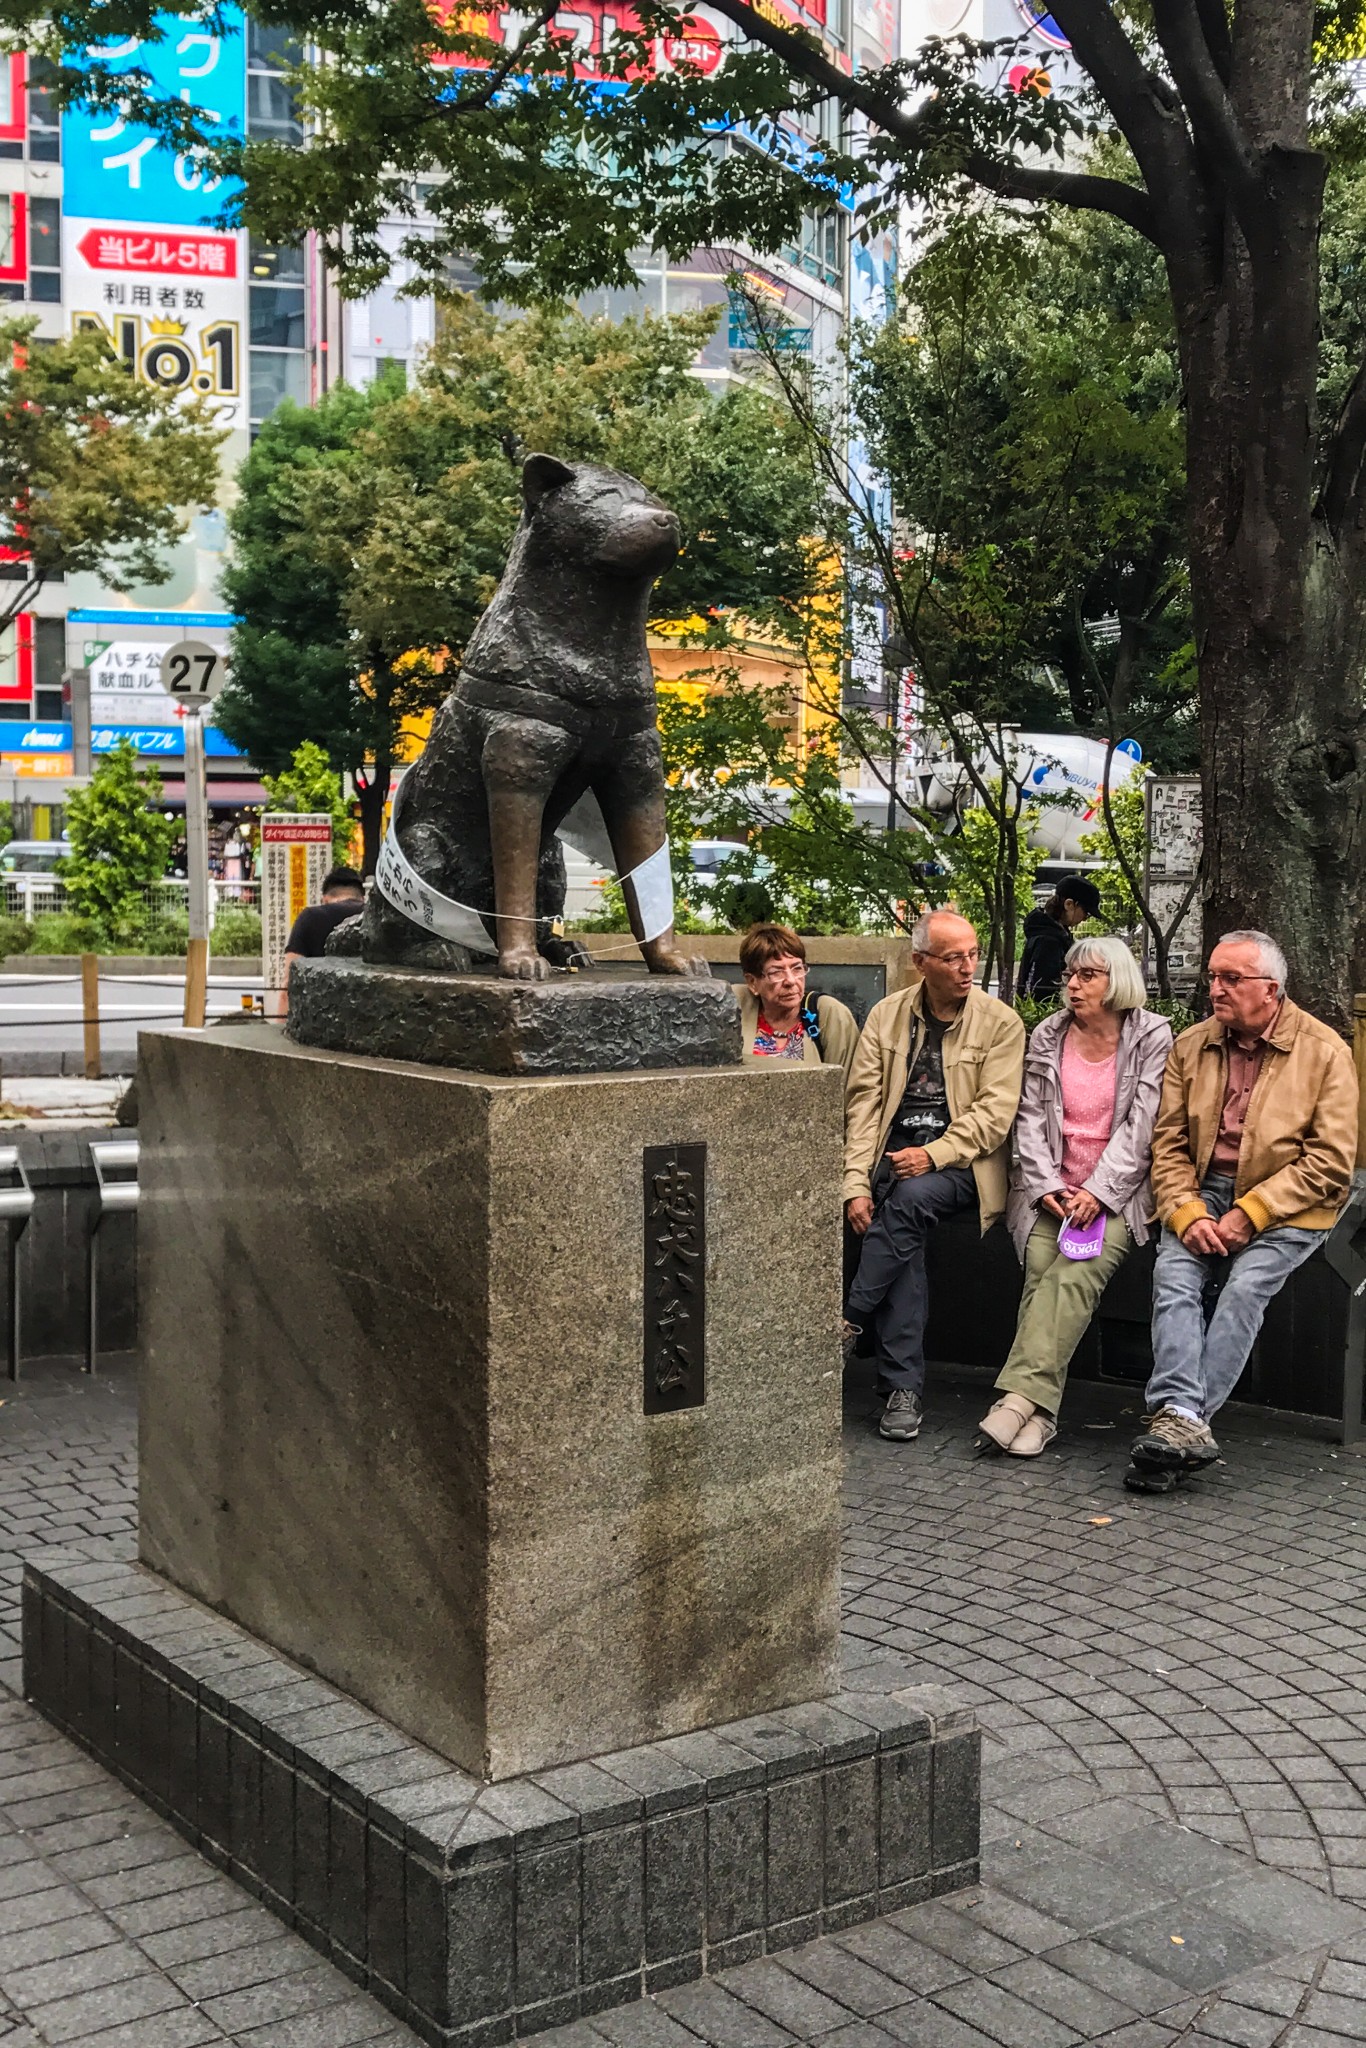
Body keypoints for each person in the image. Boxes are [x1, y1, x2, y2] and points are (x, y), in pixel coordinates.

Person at [1125, 929, 1359, 1493]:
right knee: (1174, 1275)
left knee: (1244, 1288)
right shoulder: (1193, 1045)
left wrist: (1251, 1212)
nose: (1216, 989)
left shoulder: (1326, 1051)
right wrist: (1187, 1211)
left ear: (1270, 990)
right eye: (1213, 976)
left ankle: (1178, 1424)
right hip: (1204, 1192)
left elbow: (1330, 1163)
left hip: (1291, 1202)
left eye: (1231, 979)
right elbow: (1170, 1145)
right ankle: (1183, 1420)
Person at [979, 935, 1173, 1457]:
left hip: (1117, 1194)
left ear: (1118, 982)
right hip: (1053, 1192)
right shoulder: (1048, 1033)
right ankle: (1039, 1413)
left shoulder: (1152, 1035)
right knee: (1042, 1266)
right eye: (1070, 974)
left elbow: (1143, 1126)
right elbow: (1029, 1120)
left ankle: (1018, 1402)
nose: (1072, 984)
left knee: (1072, 1274)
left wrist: (1099, 1191)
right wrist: (1046, 1187)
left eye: (1087, 976)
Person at [842, 909, 1026, 1441]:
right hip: (892, 1160)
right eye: (953, 957)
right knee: (903, 1227)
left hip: (963, 1164)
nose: (968, 966)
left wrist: (935, 1154)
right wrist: (854, 1185)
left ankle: (851, 1319)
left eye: (973, 953)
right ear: (920, 962)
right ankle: (902, 1391)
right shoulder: (887, 1015)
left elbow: (994, 1117)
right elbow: (863, 1107)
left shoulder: (1000, 1023)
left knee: (908, 1200)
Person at [737, 924, 860, 1080]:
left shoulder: (829, 1014)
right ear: (752, 982)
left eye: (797, 968)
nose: (791, 980)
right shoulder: (735, 1008)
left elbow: (848, 1089)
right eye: (776, 972)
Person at [1019, 875, 1103, 999]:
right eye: (1086, 912)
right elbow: (1044, 993)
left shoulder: (1048, 931)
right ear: (1069, 904)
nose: (1085, 918)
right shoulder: (1049, 941)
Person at [284, 866, 366, 973]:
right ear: (363, 898)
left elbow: (289, 977)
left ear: (325, 899)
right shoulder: (374, 917)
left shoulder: (310, 917)